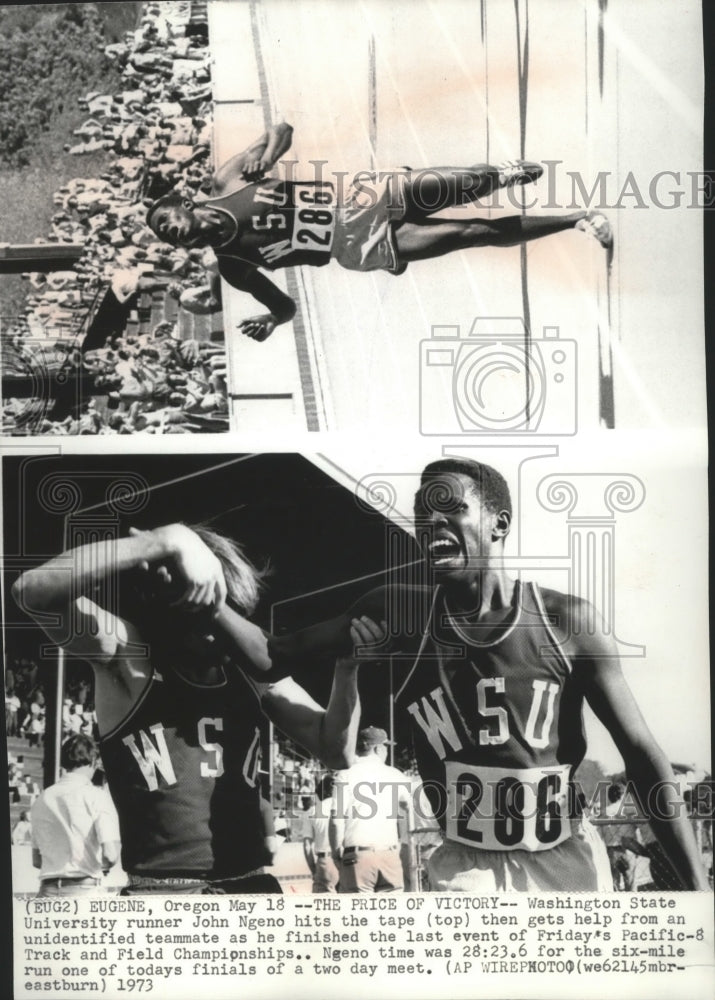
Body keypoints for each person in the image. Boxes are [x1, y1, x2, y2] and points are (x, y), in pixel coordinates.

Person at [262, 457, 709, 892]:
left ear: (499, 523)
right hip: (465, 869)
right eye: (422, 513)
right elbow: (280, 652)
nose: (432, 521)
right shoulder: (399, 613)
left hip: (563, 860)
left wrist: (697, 885)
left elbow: (640, 752)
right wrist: (209, 602)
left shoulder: (565, 621)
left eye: (452, 508)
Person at [13, 521, 383, 894]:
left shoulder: (249, 669)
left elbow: (337, 751)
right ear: (168, 601)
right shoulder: (131, 656)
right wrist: (163, 542)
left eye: (226, 610)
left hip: (250, 885)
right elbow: (32, 591)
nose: (217, 627)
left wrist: (346, 669)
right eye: (202, 610)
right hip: (163, 892)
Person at [145, 122, 614, 342]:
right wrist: (271, 320)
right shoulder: (233, 266)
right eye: (168, 239)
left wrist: (267, 156)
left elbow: (282, 128)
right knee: (473, 231)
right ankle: (578, 220)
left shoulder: (227, 182)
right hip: (354, 245)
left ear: (186, 204)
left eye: (170, 224)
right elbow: (285, 306)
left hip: (360, 196)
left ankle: (501, 175)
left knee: (468, 185)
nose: (175, 236)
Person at [30, 734, 120, 896]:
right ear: (93, 761)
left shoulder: (42, 798)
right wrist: (88, 864)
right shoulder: (96, 796)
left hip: (47, 891)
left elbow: (37, 860)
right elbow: (110, 855)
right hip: (84, 890)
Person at [330, 727, 412, 893]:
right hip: (389, 854)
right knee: (391, 916)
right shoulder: (395, 774)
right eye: (386, 747)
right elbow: (408, 807)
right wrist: (404, 842)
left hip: (358, 855)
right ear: (378, 749)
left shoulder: (346, 774)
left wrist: (335, 851)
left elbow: (336, 819)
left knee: (359, 916)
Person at [303, 773, 340, 893]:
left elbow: (307, 846)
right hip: (345, 859)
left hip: (325, 862)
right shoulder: (345, 809)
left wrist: (313, 869)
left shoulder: (311, 812)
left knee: (322, 908)